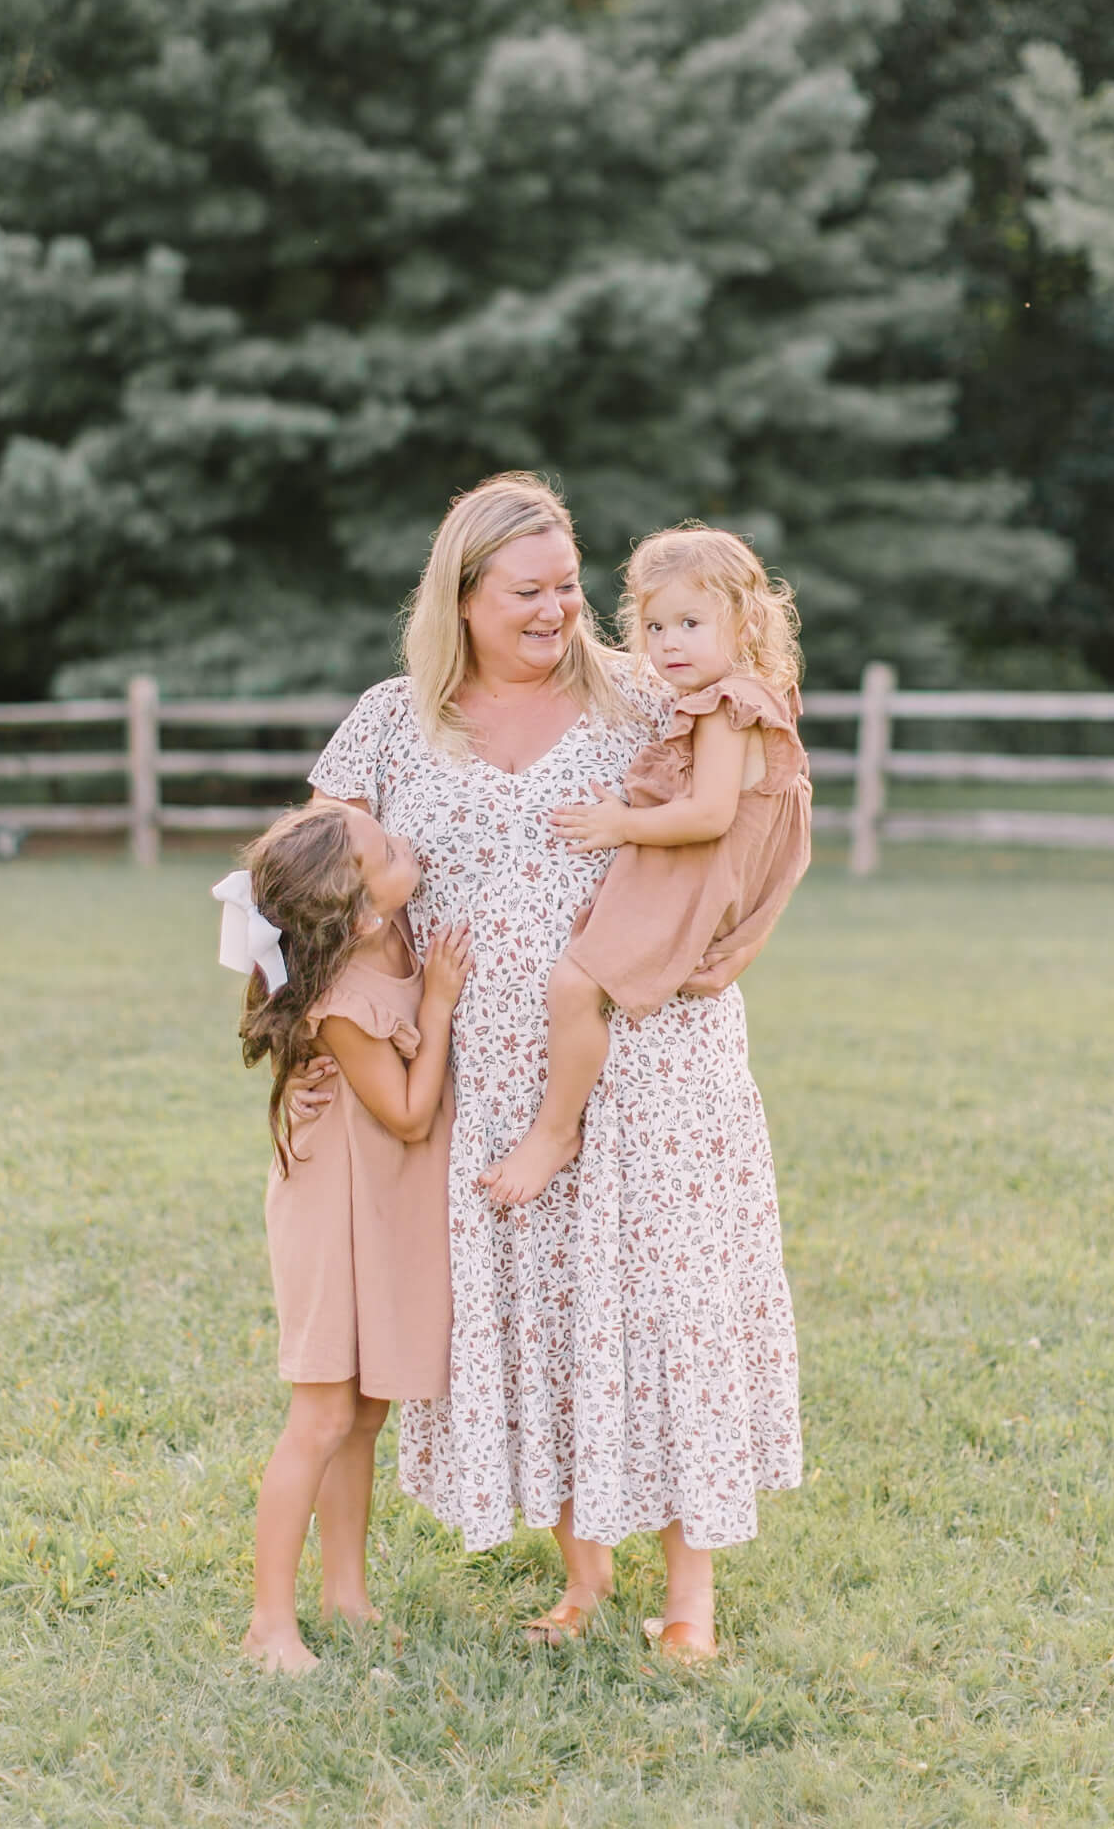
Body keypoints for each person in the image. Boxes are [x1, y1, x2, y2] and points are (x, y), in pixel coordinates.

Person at [307, 474, 801, 1661]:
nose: (555, 610)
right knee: (552, 1318)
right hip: (488, 1080)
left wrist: (747, 933)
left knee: (661, 1308)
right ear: (464, 596)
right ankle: (582, 1582)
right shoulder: (392, 719)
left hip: (652, 1062)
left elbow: (767, 806)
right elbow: (305, 867)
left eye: (568, 587)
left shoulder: (652, 691)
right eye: (526, 591)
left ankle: (690, 1600)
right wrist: (327, 1010)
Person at [478, 524, 812, 1209]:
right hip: (678, 875)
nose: (668, 644)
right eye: (655, 626)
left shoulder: (727, 707)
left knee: (573, 985)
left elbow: (710, 815)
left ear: (746, 622)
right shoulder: (731, 698)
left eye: (690, 623)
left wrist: (618, 825)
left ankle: (553, 1131)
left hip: (685, 881)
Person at [215, 804, 471, 1674]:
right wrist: (436, 1008)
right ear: (358, 910)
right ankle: (268, 1625)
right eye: (388, 848)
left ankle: (346, 1595)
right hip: (332, 1211)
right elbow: (404, 1114)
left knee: (364, 1410)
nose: (409, 843)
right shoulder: (346, 1003)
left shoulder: (392, 931)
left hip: (379, 1207)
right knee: (322, 1413)